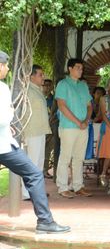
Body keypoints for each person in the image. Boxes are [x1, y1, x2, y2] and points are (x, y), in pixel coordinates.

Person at [0, 51, 70, 234]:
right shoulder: (2, 88)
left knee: (34, 172)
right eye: (5, 65)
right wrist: (10, 114)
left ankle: (45, 221)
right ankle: (45, 221)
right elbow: (3, 118)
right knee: (34, 174)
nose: (7, 68)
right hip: (3, 147)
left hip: (5, 142)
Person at [55, 58, 93, 198]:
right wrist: (78, 122)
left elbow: (89, 105)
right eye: (78, 68)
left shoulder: (83, 85)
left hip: (83, 127)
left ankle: (78, 186)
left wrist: (86, 120)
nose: (80, 70)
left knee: (79, 158)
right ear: (70, 68)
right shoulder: (63, 84)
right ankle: (62, 187)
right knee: (65, 157)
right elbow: (61, 106)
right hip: (68, 127)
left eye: (82, 68)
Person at [20, 65, 52, 200]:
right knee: (32, 163)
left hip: (40, 131)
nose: (43, 77)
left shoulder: (37, 90)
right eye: (40, 74)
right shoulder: (27, 90)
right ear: (31, 76)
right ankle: (28, 193)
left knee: (38, 162)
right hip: (32, 131)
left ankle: (36, 192)